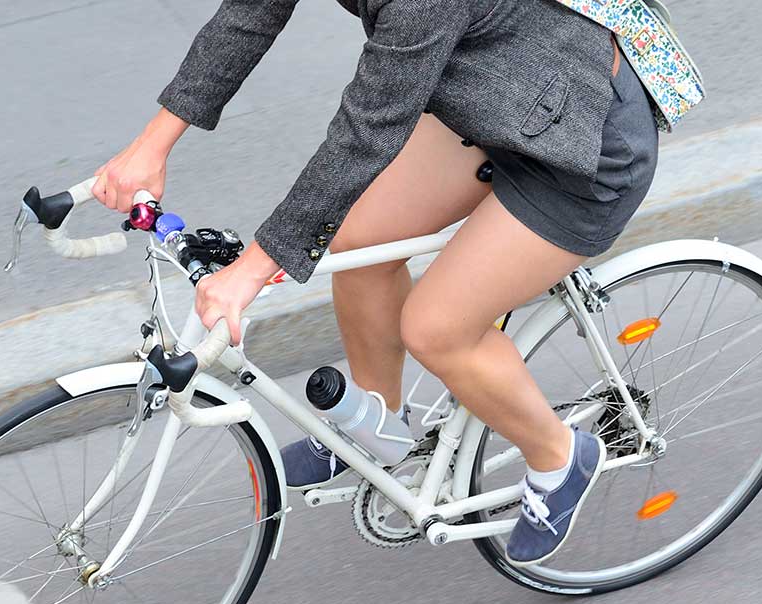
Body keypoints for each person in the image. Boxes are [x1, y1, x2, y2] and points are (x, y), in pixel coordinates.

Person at [92, 0, 658, 566]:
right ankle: (375, 426)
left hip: (585, 144)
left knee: (437, 329)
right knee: (358, 241)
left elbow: (366, 133)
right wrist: (152, 145)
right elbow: (250, 13)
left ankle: (561, 459)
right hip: (494, 93)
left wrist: (252, 271)